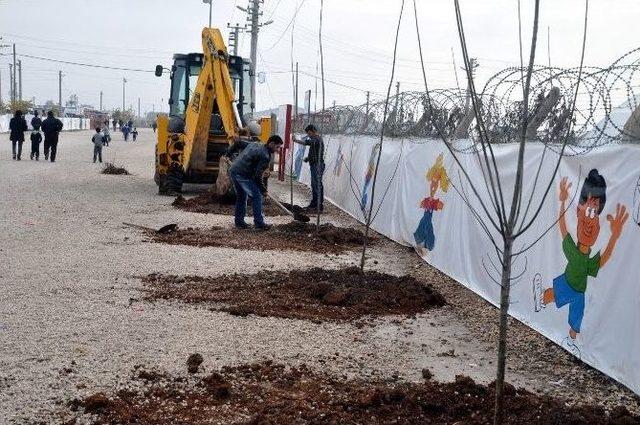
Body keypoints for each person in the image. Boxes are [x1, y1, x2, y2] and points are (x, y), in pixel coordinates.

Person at [227, 135, 283, 230]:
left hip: (233, 170)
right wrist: (263, 190)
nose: (278, 150)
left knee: (242, 196)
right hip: (242, 174)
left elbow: (239, 143)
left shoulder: (255, 144)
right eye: (277, 147)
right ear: (271, 144)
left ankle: (239, 223)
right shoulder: (265, 156)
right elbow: (258, 176)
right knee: (257, 196)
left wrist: (228, 153)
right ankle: (259, 223)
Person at [293, 124, 325, 212]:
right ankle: (314, 204)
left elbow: (308, 143)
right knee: (315, 185)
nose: (309, 135)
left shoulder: (317, 139)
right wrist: (308, 158)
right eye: (308, 134)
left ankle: (318, 206)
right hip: (315, 164)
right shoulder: (315, 139)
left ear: (314, 131)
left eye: (310, 133)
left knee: (317, 185)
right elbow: (314, 152)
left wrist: (296, 140)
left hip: (317, 165)